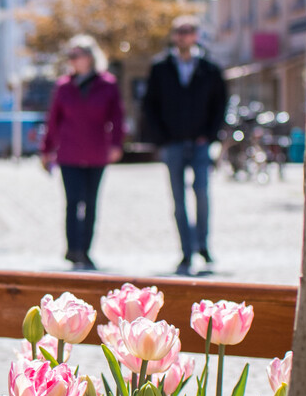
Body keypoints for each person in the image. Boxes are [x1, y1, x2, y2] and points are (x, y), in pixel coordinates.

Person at [142, 15, 229, 276]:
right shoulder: (161, 67)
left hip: (201, 143)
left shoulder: (210, 68)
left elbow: (221, 104)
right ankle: (186, 250)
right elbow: (149, 105)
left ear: (196, 35)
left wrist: (210, 134)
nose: (183, 36)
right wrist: (162, 138)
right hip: (173, 143)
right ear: (173, 36)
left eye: (188, 31)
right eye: (179, 31)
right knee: (178, 200)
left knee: (202, 193)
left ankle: (202, 244)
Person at [40, 36, 125, 271]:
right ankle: (72, 249)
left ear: (90, 57)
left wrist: (116, 144)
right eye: (71, 56)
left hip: (97, 152)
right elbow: (53, 121)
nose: (73, 61)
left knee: (90, 203)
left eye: (77, 55)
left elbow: (117, 117)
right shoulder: (63, 86)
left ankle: (85, 251)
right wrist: (46, 150)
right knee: (72, 202)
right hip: (69, 153)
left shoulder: (107, 84)